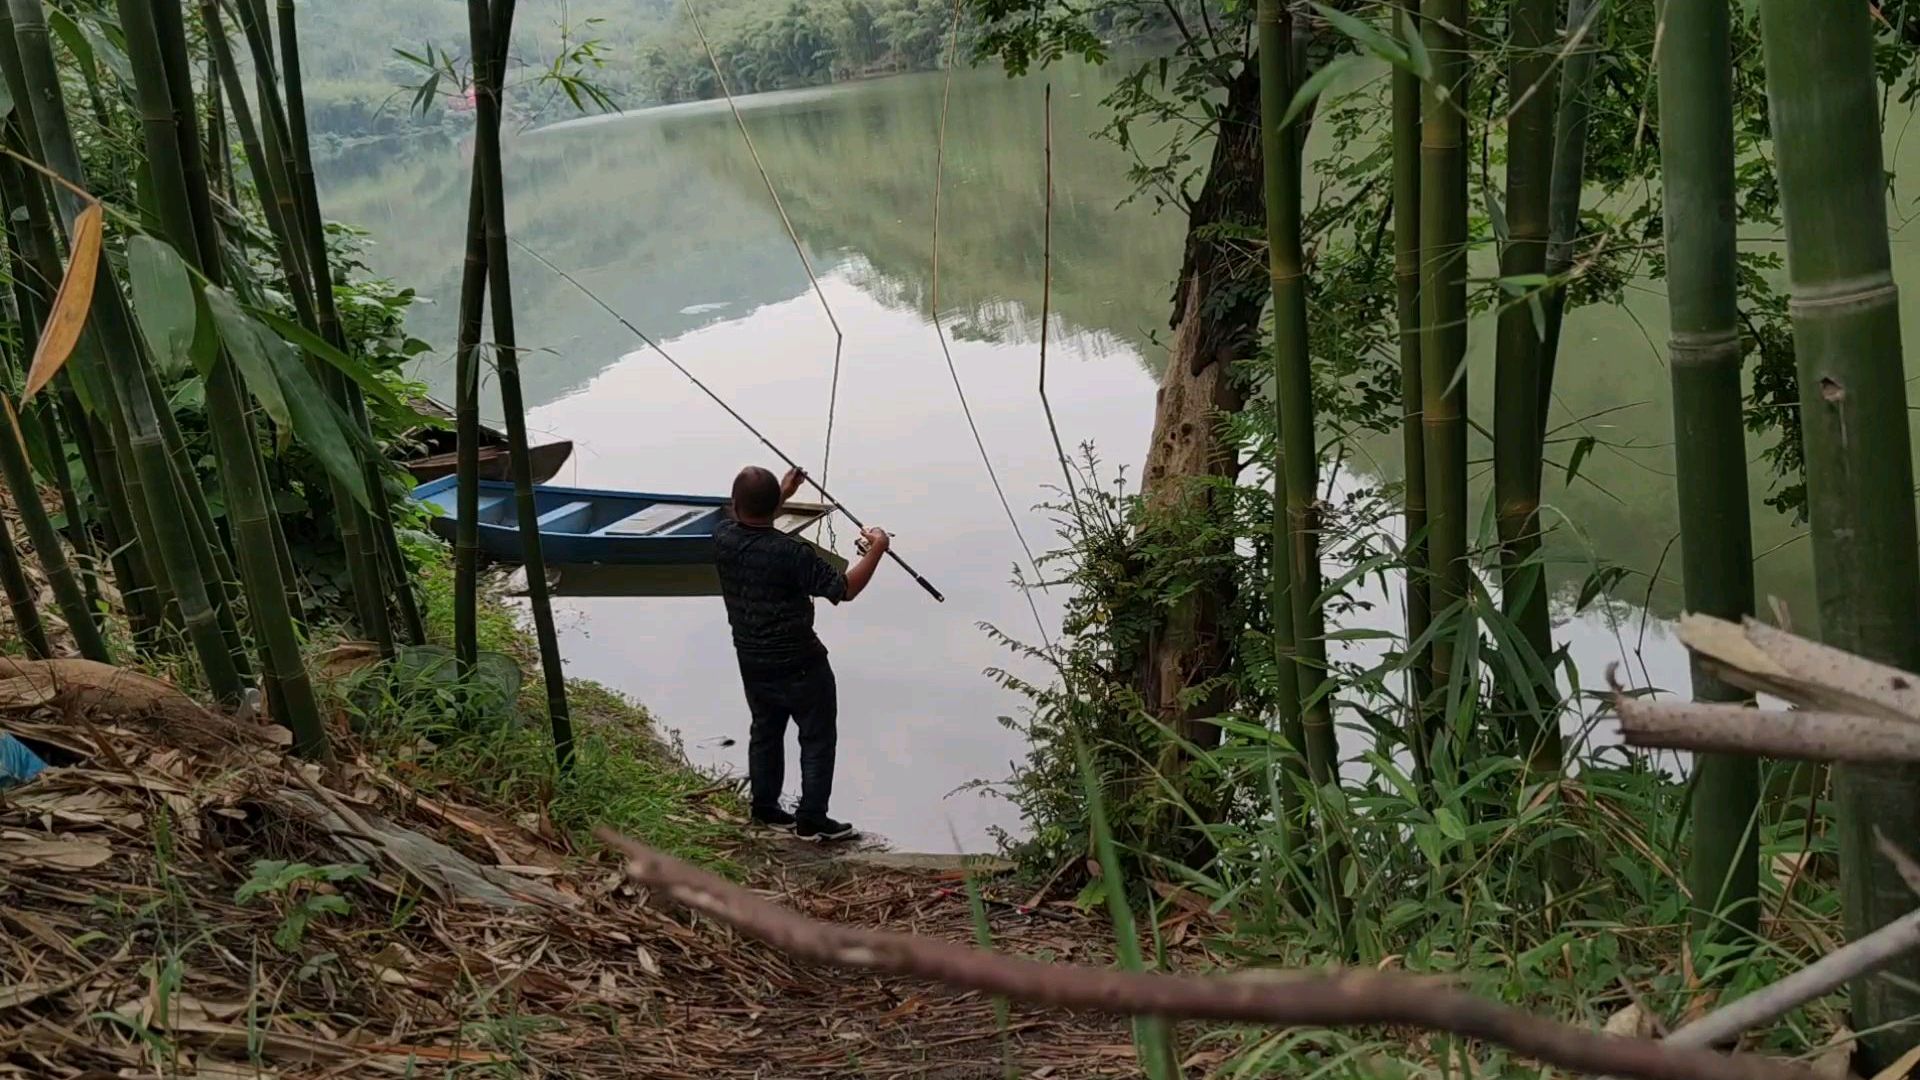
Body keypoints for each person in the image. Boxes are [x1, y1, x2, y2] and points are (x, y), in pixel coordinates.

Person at [713, 464, 890, 842]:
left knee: (765, 731)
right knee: (817, 738)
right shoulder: (792, 553)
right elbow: (845, 589)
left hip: (752, 660)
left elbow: (750, 515)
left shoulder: (722, 537)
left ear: (734, 503)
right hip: (802, 664)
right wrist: (878, 549)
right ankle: (811, 818)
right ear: (772, 505)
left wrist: (783, 492)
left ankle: (765, 808)